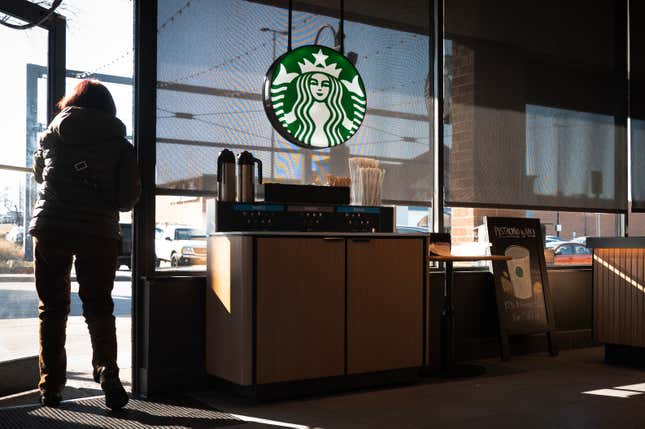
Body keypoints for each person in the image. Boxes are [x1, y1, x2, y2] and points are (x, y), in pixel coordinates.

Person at [29, 79, 141, 409]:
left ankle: (50, 387)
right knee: (99, 306)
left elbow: (39, 175)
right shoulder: (122, 145)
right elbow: (125, 200)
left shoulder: (52, 134)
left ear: (72, 102)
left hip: (52, 228)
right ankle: (107, 373)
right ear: (108, 107)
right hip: (99, 232)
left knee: (51, 309)